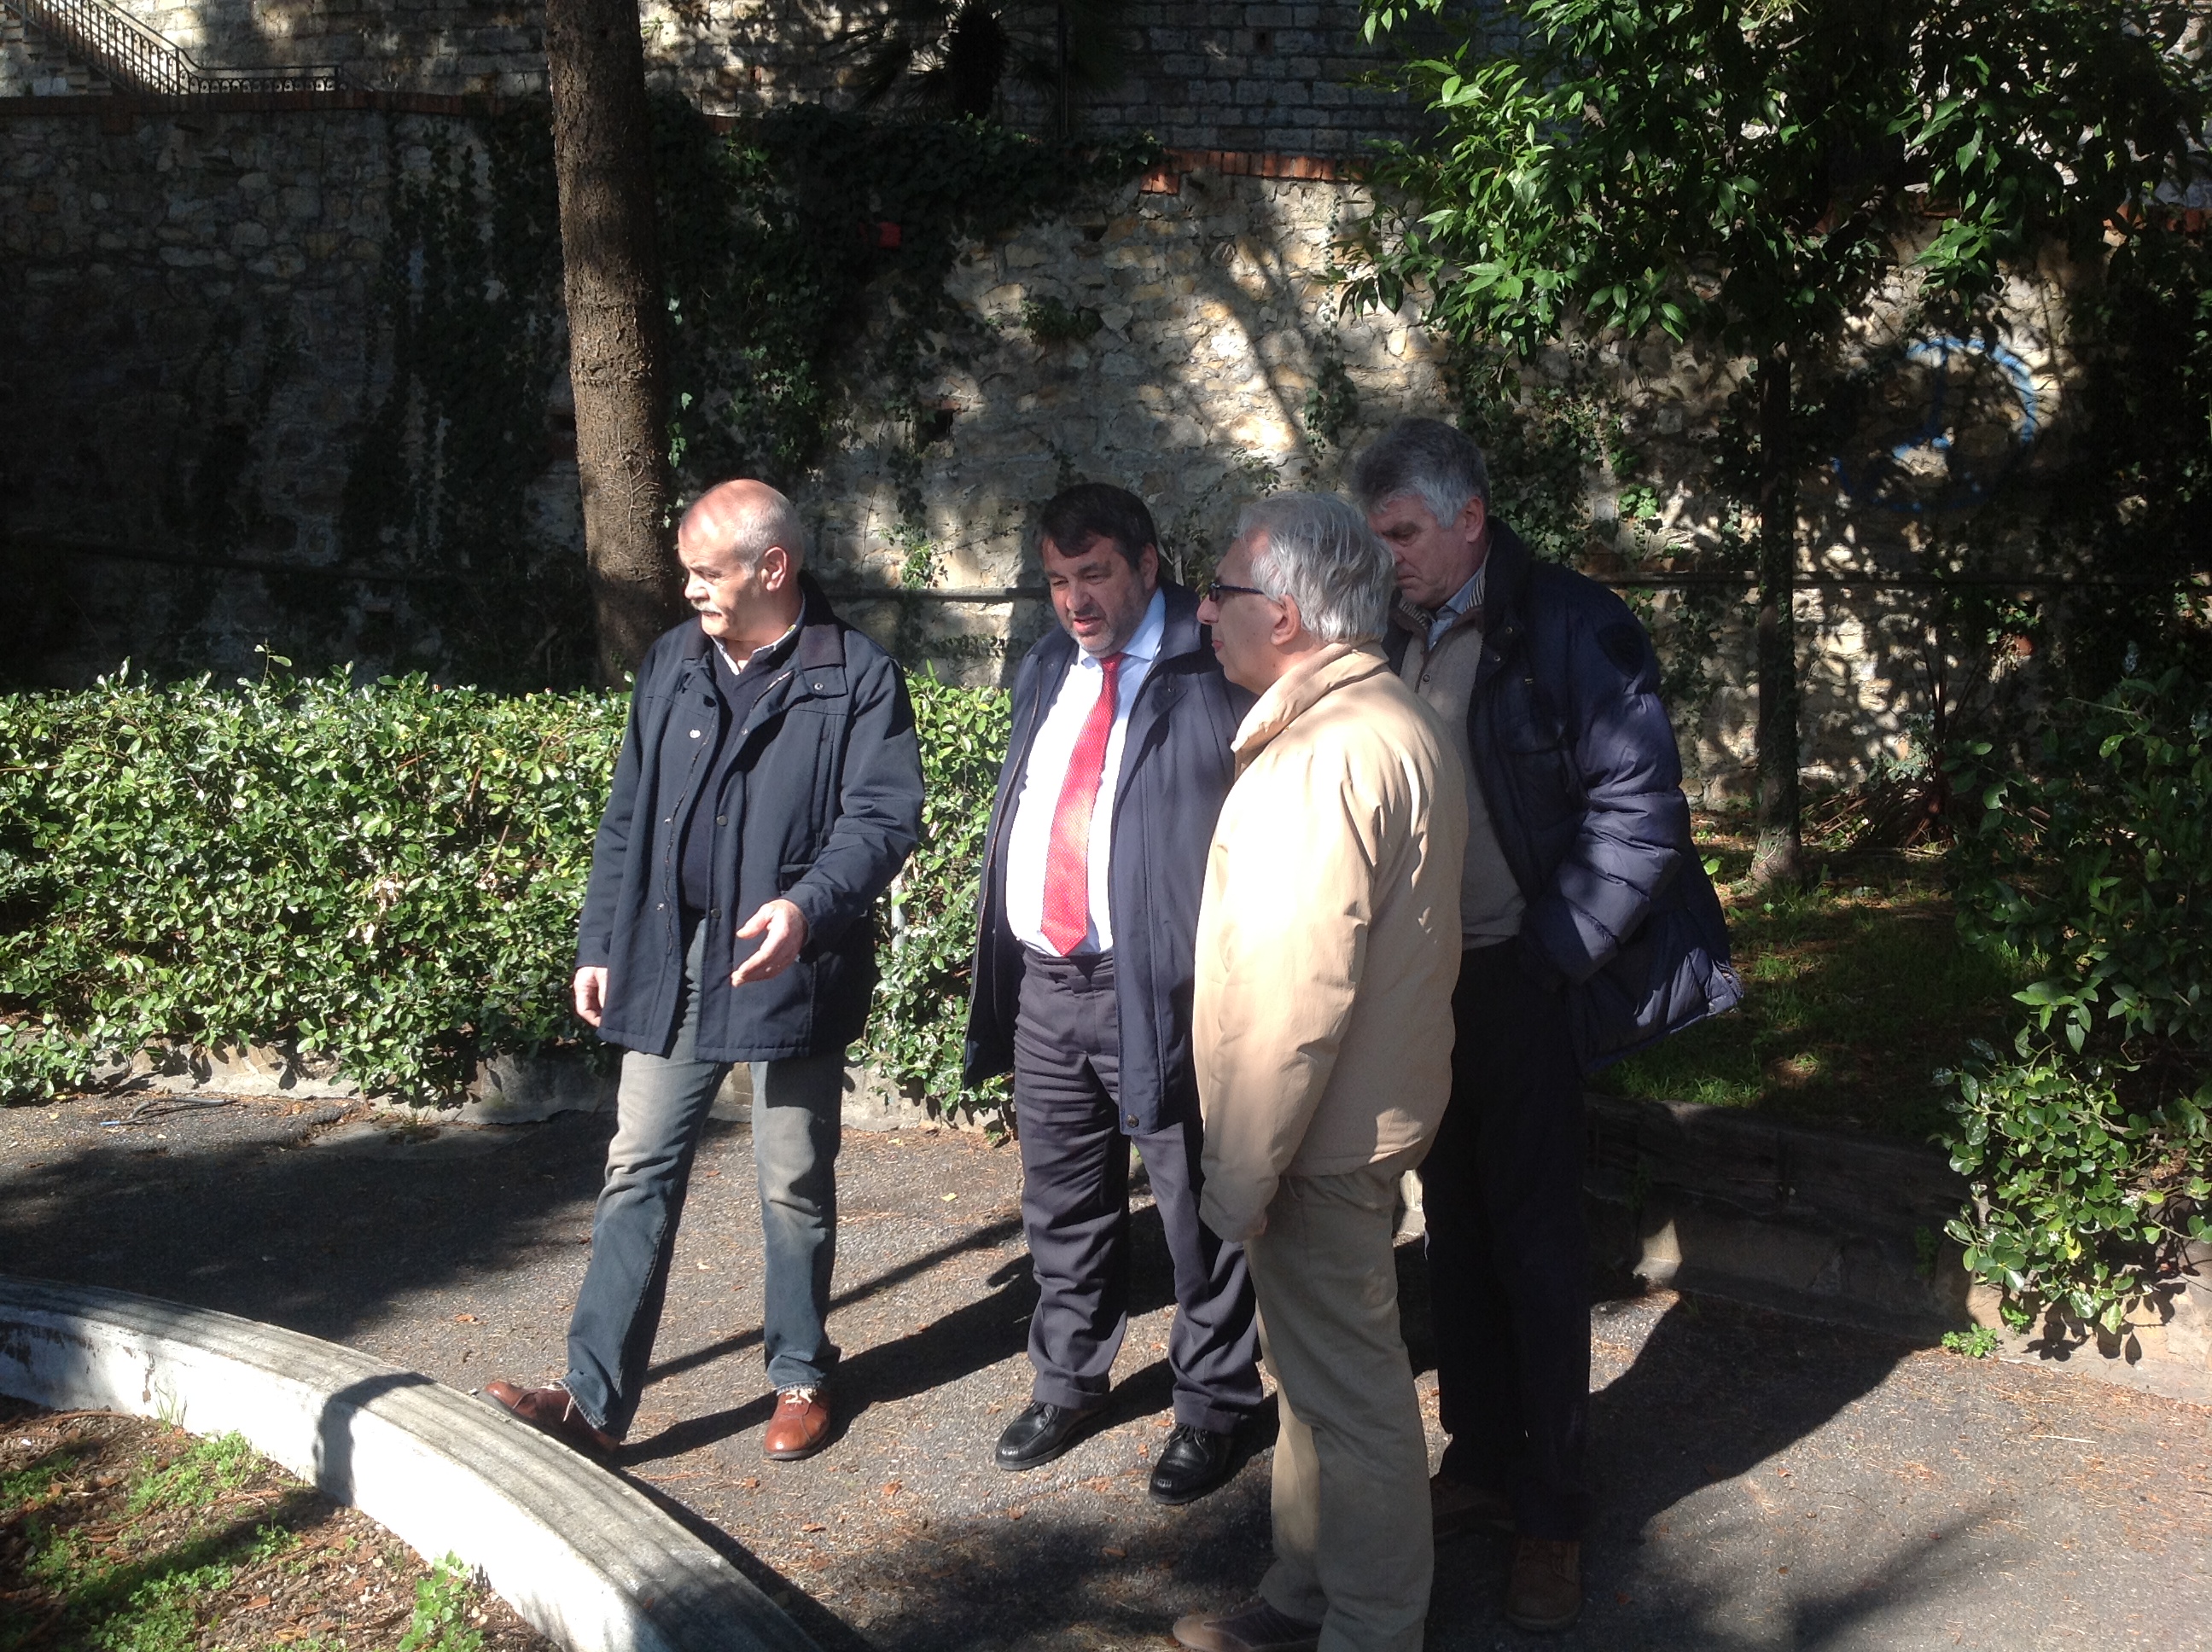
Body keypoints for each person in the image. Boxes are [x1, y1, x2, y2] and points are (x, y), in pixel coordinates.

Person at [1349, 418, 1740, 1632]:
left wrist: (1551, 959)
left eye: (1404, 533)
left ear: (1470, 517)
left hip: (1523, 978)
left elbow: (1641, 811)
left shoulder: (1569, 622)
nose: (1387, 557)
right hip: (1423, 990)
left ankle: (1554, 1510)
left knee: (1536, 1247)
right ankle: (1478, 1462)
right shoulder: (1387, 630)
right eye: (1375, 537)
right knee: (1457, 1232)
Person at [486, 480, 923, 1463]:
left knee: (792, 1176)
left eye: (707, 572)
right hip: (670, 954)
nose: (689, 590)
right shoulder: (673, 663)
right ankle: (592, 1401)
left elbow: (883, 819)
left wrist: (807, 907)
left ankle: (801, 1373)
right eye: (687, 572)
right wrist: (600, 943)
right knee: (637, 1163)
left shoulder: (856, 674)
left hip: (793, 956)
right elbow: (627, 818)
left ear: (774, 567)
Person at [1173, 493, 1468, 1652]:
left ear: (1287, 615)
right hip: (1354, 1118)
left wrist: (1241, 1173)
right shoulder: (1388, 716)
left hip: (1316, 1136)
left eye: (1222, 592)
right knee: (1315, 1384)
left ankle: (1373, 1626)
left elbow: (1293, 998)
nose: (1205, 613)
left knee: (1349, 1398)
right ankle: (1304, 1598)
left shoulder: (1324, 752)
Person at [964, 481, 1265, 1503]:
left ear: (1147, 564)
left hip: (1167, 986)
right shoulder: (1049, 664)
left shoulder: (1213, 663)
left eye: (1094, 574)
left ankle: (1215, 1402)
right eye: (1057, 580)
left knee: (1196, 1207)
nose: (1075, 601)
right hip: (1049, 980)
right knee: (1061, 1198)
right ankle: (1068, 1380)